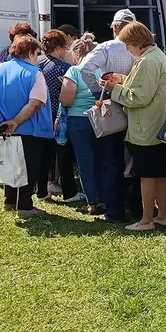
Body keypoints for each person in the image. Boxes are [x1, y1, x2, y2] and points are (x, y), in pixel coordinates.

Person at [103, 21, 166, 232]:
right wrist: (122, 79)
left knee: (146, 176)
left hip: (146, 129)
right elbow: (144, 85)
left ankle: (146, 220)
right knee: (159, 174)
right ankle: (162, 215)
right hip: (159, 127)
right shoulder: (156, 55)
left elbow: (139, 97)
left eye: (128, 44)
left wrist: (114, 88)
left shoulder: (146, 61)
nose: (126, 49)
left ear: (138, 42)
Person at [0, 35, 53, 218]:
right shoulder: (35, 73)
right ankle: (25, 206)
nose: (38, 56)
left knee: (8, 163)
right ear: (29, 52)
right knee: (28, 167)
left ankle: (9, 201)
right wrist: (16, 121)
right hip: (29, 129)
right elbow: (35, 103)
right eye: (37, 53)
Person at [79, 10, 139, 222]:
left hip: (110, 107)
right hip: (135, 106)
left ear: (114, 27)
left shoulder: (106, 48)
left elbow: (84, 69)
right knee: (134, 157)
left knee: (111, 159)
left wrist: (99, 89)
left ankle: (115, 211)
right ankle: (137, 208)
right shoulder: (141, 50)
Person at [60, 33, 108, 215]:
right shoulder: (101, 71)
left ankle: (92, 202)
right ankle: (106, 197)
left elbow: (66, 99)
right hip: (100, 120)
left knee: (85, 161)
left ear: (75, 54)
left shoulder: (74, 71)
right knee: (102, 160)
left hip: (78, 120)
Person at [37, 29, 83, 203]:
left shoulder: (36, 63)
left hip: (39, 116)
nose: (65, 51)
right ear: (57, 48)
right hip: (58, 117)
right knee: (63, 156)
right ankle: (69, 192)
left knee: (42, 155)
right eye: (64, 48)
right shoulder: (65, 68)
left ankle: (42, 189)